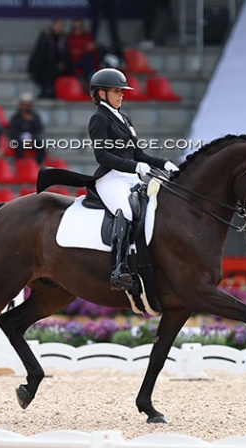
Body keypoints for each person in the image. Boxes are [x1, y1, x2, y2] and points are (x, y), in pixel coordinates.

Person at [88, 68, 178, 290]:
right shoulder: (99, 119)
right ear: (101, 94)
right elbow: (102, 155)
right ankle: (118, 270)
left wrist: (163, 163)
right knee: (126, 211)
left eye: (122, 91)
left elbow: (138, 153)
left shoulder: (124, 118)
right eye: (116, 91)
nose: (121, 95)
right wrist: (135, 166)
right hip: (110, 178)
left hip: (129, 177)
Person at [28, 18, 71, 98]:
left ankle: (53, 90)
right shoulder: (45, 37)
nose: (58, 28)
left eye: (60, 26)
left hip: (58, 65)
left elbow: (65, 54)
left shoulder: (63, 39)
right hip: (44, 64)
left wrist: (62, 62)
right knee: (47, 68)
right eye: (57, 25)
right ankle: (47, 89)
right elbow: (40, 53)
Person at [8, 92, 45, 165]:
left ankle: (38, 164)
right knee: (18, 145)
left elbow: (40, 129)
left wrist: (33, 121)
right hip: (19, 139)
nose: (24, 106)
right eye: (23, 104)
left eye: (26, 104)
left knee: (41, 144)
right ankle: (20, 164)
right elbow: (13, 131)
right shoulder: (16, 117)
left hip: (32, 139)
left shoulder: (34, 116)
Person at [67, 18, 97, 83]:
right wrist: (85, 49)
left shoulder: (87, 36)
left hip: (87, 66)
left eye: (79, 27)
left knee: (88, 58)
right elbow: (72, 53)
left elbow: (93, 51)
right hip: (74, 64)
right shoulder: (69, 37)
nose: (77, 29)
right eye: (75, 27)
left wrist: (80, 51)